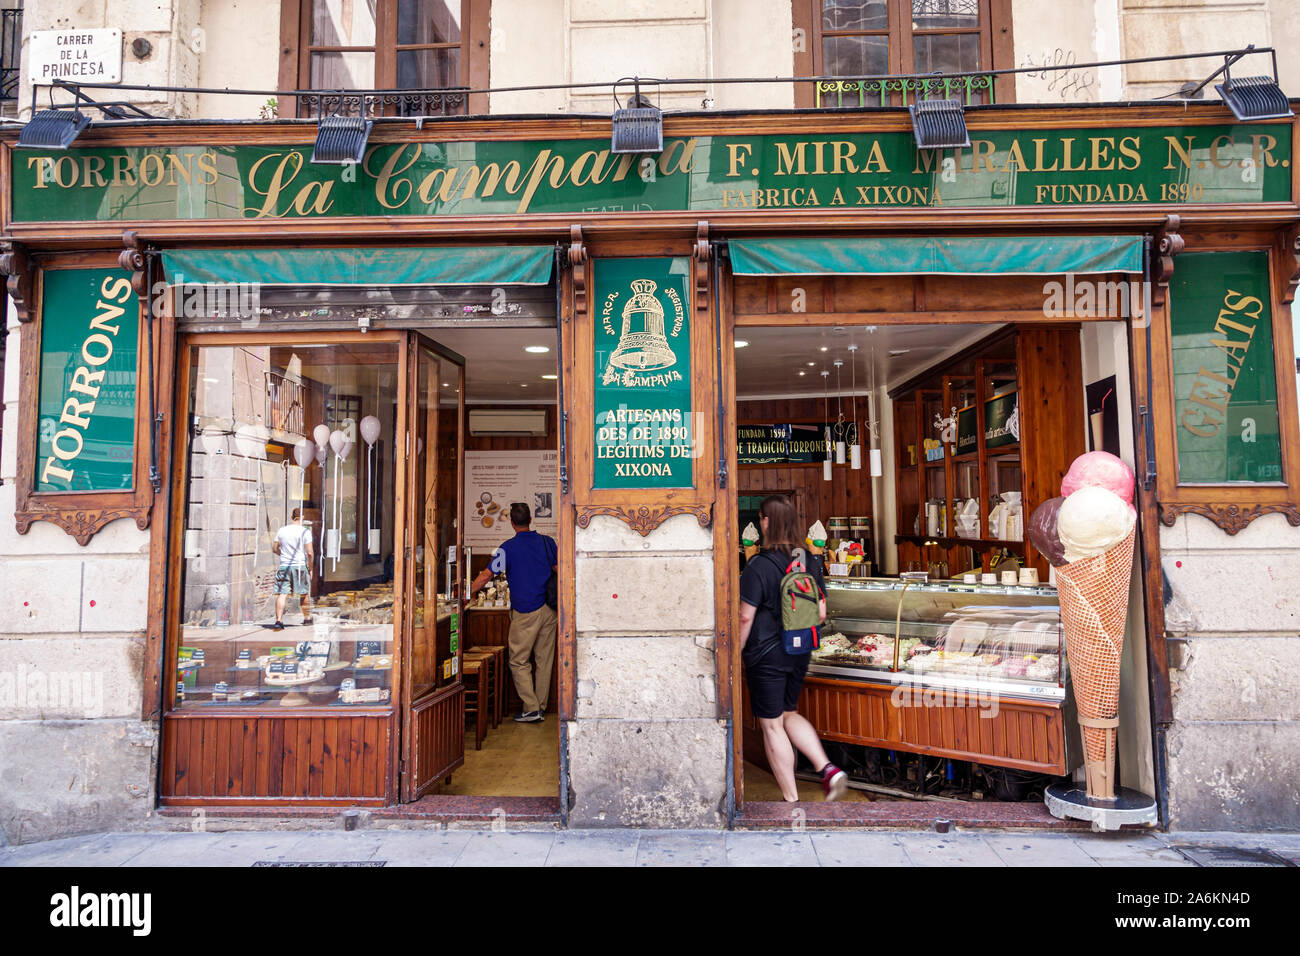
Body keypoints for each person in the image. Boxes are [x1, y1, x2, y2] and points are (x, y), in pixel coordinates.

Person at [738, 494, 847, 802]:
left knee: (771, 726)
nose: (760, 523)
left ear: (768, 522)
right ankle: (827, 768)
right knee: (788, 712)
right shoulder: (809, 560)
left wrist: (735, 654)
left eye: (761, 518)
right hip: (799, 650)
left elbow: (745, 616)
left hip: (766, 654)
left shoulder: (759, 565)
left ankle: (791, 799)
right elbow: (822, 612)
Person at [471, 502, 557, 723]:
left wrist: (465, 593)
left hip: (526, 611)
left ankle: (531, 707)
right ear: (530, 520)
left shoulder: (507, 548)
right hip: (549, 609)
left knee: (518, 660)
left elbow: (486, 576)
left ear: (511, 523)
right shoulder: (548, 543)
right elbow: (560, 570)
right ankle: (541, 705)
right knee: (544, 659)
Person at [271, 508, 314, 631]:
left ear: (291, 517)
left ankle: (278, 621)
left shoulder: (282, 530)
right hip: (299, 566)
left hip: (284, 566)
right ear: (303, 517)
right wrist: (310, 568)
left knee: (282, 594)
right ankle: (307, 618)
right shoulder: (305, 532)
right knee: (304, 593)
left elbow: (274, 548)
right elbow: (310, 553)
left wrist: (283, 555)